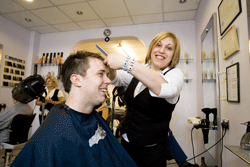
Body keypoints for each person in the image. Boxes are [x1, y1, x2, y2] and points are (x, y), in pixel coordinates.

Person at [10, 51, 138, 167]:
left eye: (107, 75)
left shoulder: (93, 118)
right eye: (101, 74)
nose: (108, 80)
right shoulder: (52, 136)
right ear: (76, 80)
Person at [104, 31, 184, 167]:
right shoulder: (141, 70)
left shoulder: (175, 75)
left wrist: (126, 63)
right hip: (126, 142)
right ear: (152, 48)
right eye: (158, 45)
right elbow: (116, 79)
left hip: (152, 152)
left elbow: (165, 88)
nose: (162, 51)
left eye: (169, 48)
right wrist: (111, 69)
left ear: (173, 54)